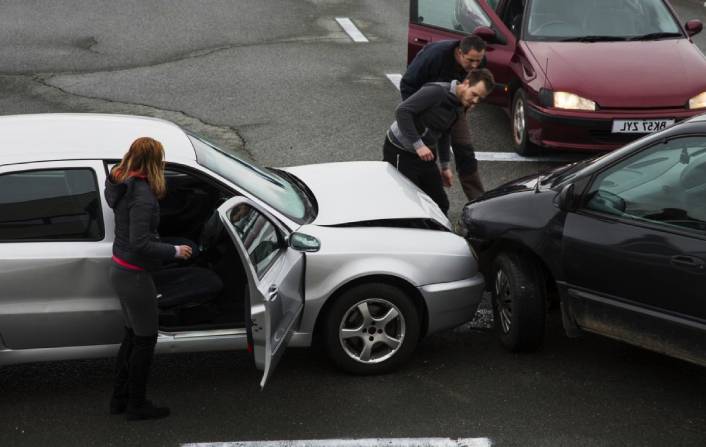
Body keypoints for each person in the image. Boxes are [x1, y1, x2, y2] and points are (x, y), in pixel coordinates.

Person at [105, 137, 192, 421]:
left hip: (120, 269)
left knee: (131, 337)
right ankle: (137, 404)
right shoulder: (141, 195)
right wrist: (175, 251)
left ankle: (119, 399)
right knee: (145, 340)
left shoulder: (120, 182)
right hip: (135, 275)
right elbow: (140, 242)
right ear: (154, 162)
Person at [383, 69, 495, 214]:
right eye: (474, 94)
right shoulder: (437, 91)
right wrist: (419, 145)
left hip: (425, 155)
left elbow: (444, 132)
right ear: (466, 83)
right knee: (408, 202)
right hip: (400, 150)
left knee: (440, 203)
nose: (475, 101)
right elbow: (402, 111)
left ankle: (437, 234)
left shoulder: (460, 104)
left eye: (480, 99)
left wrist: (444, 167)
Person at [400, 35, 489, 200]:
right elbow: (407, 84)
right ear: (460, 53)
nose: (475, 65)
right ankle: (419, 198)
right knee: (425, 151)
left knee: (465, 151)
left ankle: (478, 201)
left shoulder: (479, 60)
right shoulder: (435, 56)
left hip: (456, 104)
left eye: (479, 60)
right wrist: (416, 116)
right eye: (471, 60)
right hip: (426, 103)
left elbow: (478, 82)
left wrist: (467, 105)